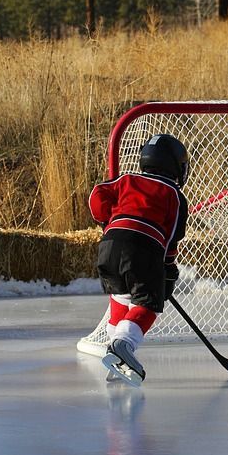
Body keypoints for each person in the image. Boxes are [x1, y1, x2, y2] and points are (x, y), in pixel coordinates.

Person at [88, 133, 189, 386]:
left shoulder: (126, 179)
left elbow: (97, 195)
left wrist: (108, 219)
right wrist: (167, 268)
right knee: (147, 303)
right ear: (177, 166)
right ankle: (124, 345)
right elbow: (172, 235)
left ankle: (114, 359)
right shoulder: (174, 194)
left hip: (109, 246)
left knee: (120, 297)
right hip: (144, 248)